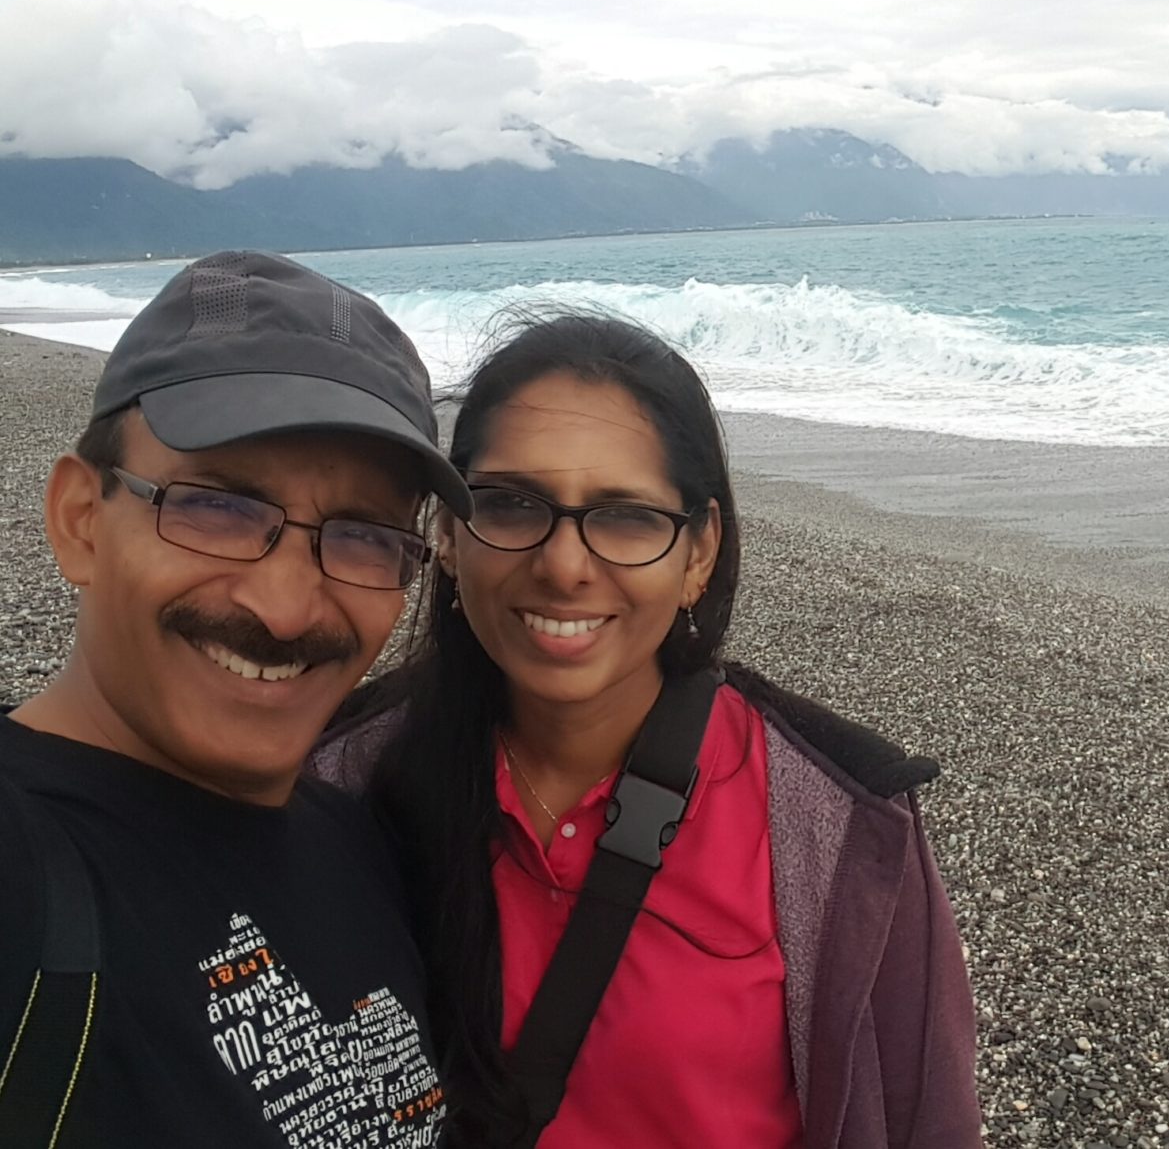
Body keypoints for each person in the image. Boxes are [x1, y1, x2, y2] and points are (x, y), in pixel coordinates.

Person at [314, 313, 982, 1149]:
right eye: (512, 504)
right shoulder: (338, 780)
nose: (563, 566)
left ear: (699, 552)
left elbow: (929, 1120)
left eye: (626, 516)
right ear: (450, 532)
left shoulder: (835, 823)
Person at [0, 250, 472, 1146]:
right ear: (79, 520)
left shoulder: (362, 842)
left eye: (365, 536)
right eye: (215, 507)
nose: (287, 609)